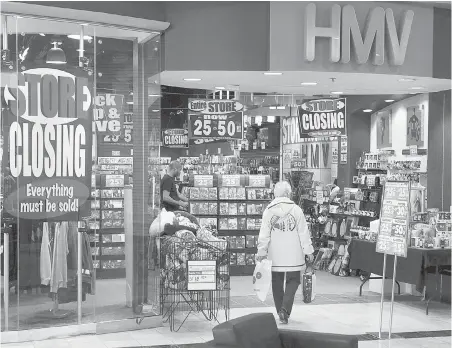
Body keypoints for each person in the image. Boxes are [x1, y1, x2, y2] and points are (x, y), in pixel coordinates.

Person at [256, 181, 314, 324]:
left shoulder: (269, 211)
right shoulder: (296, 210)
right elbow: (303, 233)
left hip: (275, 255)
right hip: (294, 255)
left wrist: (261, 251)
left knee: (276, 282)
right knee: (293, 280)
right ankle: (285, 310)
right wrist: (308, 251)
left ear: (275, 194)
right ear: (289, 194)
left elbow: (264, 234)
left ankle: (280, 311)